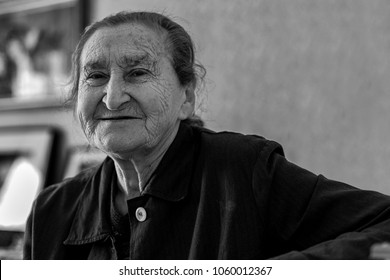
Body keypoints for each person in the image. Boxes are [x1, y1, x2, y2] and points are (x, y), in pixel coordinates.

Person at [23, 11, 390, 260]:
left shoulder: (244, 171)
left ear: (187, 96)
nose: (113, 96)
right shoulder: (51, 211)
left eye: (137, 73)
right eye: (96, 76)